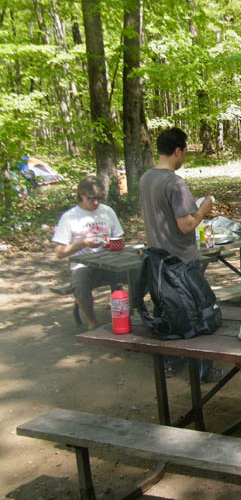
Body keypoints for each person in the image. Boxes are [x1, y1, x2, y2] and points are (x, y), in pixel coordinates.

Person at [138, 126, 222, 381]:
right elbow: (186, 225)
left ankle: (170, 362)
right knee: (198, 314)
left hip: (157, 260)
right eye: (185, 151)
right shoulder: (174, 183)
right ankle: (204, 370)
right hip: (181, 261)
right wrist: (203, 209)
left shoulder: (146, 178)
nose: (185, 155)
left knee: (167, 311)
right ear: (178, 151)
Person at [52, 176, 125, 329]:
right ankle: (92, 322)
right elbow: (59, 252)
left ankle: (128, 313)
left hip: (109, 261)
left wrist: (110, 243)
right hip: (82, 265)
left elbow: (120, 240)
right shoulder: (69, 217)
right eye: (91, 198)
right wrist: (83, 243)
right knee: (80, 285)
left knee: (137, 272)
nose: (96, 202)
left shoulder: (107, 211)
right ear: (81, 195)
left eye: (99, 198)